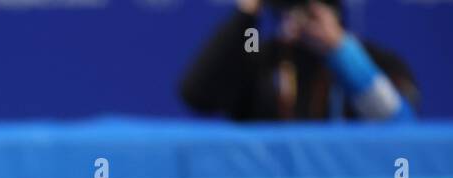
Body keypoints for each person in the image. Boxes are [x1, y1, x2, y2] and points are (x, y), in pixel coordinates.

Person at [178, 0, 418, 121]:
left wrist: (341, 51)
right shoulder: (260, 60)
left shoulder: (376, 61)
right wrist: (247, 13)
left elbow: (398, 121)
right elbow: (197, 96)